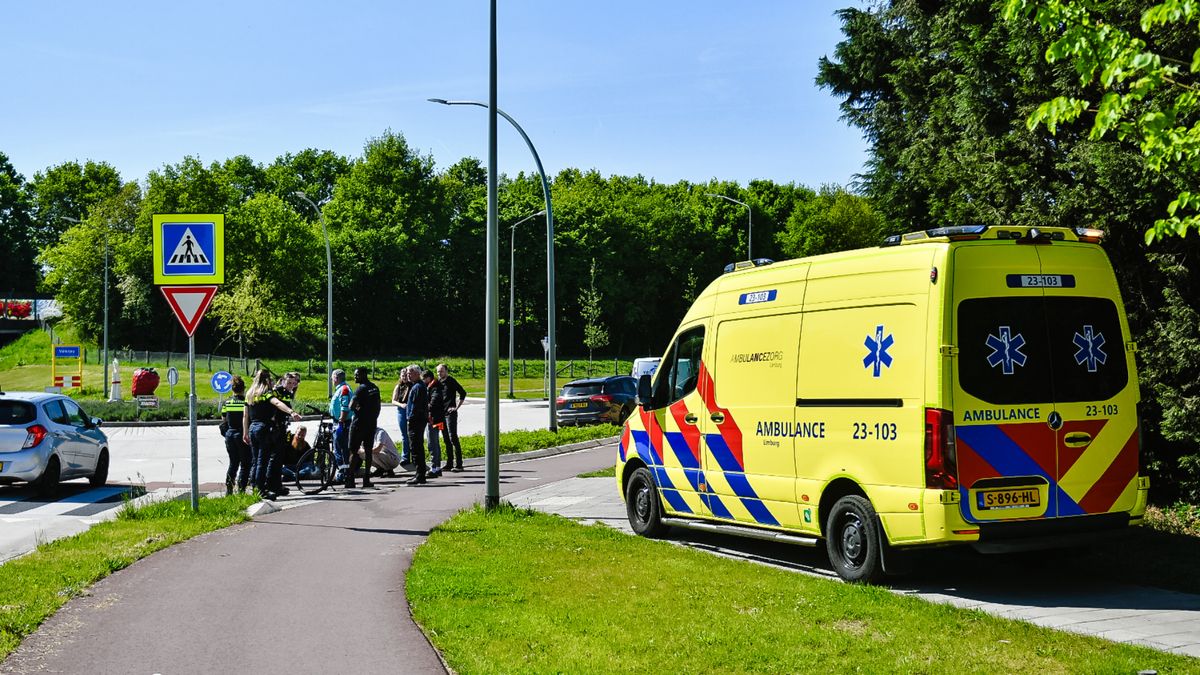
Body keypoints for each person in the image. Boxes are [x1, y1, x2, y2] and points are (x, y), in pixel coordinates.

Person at [244, 369, 300, 500]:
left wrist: (245, 432)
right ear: (267, 380)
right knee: (262, 461)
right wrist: (291, 412)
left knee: (255, 459)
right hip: (264, 428)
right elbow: (277, 403)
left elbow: (245, 415)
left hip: (253, 427)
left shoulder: (250, 394)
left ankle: (254, 487)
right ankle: (261, 490)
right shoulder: (266, 394)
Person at [345, 367, 381, 489]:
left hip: (359, 424)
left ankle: (350, 479)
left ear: (363, 375)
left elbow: (351, 406)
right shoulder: (375, 388)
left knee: (353, 451)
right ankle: (367, 479)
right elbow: (378, 406)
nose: (355, 377)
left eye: (357, 375)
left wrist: (359, 410)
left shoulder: (361, 389)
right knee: (368, 450)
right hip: (371, 424)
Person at [220, 375, 250, 494]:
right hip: (242, 434)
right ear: (244, 389)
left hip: (230, 434)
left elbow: (223, 418)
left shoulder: (227, 402)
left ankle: (229, 490)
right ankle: (241, 490)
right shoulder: (245, 403)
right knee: (245, 463)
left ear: (232, 389)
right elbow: (248, 417)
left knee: (233, 463)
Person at [437, 363, 468, 473]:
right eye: (438, 371)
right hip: (441, 414)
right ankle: (449, 463)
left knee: (452, 437)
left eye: (441, 371)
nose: (439, 373)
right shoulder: (438, 382)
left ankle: (459, 464)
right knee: (445, 439)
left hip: (450, 414)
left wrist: (456, 407)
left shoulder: (451, 381)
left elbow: (463, 393)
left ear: (446, 371)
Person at [405, 368, 431, 485]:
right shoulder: (418, 386)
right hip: (418, 420)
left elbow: (416, 406)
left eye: (410, 373)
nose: (408, 375)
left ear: (417, 374)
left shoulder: (418, 387)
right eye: (407, 373)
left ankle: (420, 474)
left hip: (416, 421)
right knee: (415, 447)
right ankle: (418, 473)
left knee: (416, 448)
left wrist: (410, 419)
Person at [329, 369, 353, 466]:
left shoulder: (344, 389)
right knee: (340, 448)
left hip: (342, 423)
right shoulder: (342, 388)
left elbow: (345, 406)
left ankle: (342, 474)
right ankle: (343, 471)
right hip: (340, 421)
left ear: (336, 378)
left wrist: (340, 422)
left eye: (332, 378)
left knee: (340, 449)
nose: (332, 380)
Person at [426, 368, 446, 478]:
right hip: (438, 419)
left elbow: (433, 403)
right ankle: (437, 467)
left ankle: (434, 468)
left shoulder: (434, 388)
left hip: (434, 419)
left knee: (432, 443)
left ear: (428, 378)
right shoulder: (436, 386)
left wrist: (425, 407)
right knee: (435, 443)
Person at [391, 368, 413, 465]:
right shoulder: (398, 386)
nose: (404, 377)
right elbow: (393, 400)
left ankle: (414, 456)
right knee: (404, 435)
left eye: (406, 375)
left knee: (412, 434)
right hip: (401, 410)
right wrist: (401, 405)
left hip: (411, 410)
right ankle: (405, 456)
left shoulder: (413, 385)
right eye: (402, 375)